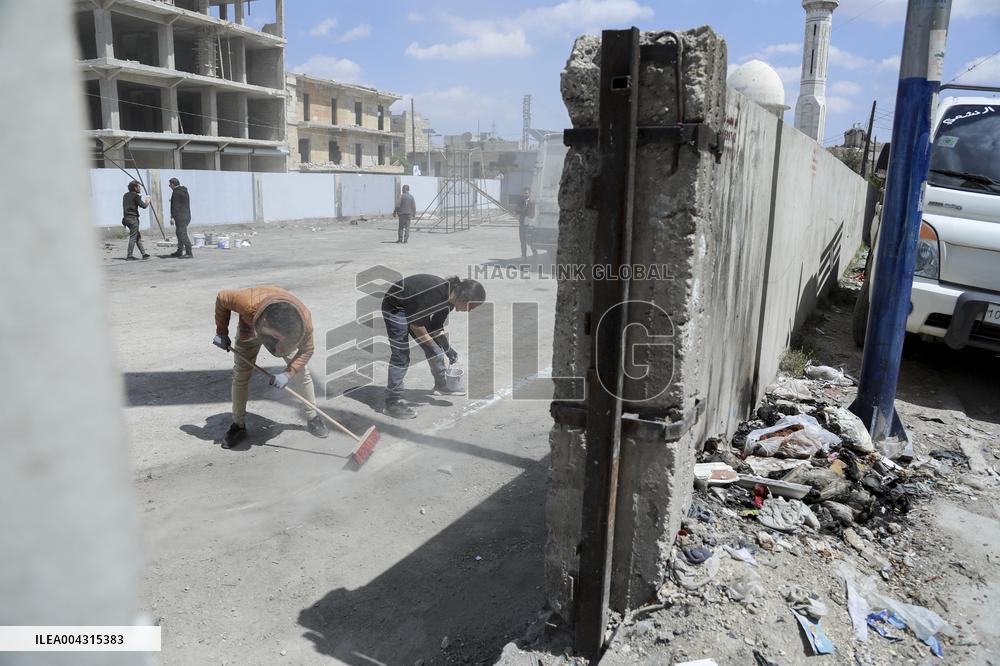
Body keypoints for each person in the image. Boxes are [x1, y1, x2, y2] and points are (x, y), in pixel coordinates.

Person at [213, 286, 330, 448]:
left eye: (282, 340)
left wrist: (288, 374)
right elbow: (221, 298)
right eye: (276, 337)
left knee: (301, 372)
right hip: (250, 327)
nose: (279, 346)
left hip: (280, 332)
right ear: (266, 323)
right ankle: (238, 425)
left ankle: (313, 417)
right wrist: (221, 332)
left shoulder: (303, 321)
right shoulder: (247, 302)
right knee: (241, 375)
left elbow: (307, 350)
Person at [381, 275, 486, 419]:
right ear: (464, 298)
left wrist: (447, 348)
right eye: (471, 307)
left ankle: (441, 386)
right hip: (396, 306)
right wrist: (435, 349)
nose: (469, 311)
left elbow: (436, 326)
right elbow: (416, 326)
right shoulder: (435, 294)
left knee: (435, 348)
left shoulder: (450, 301)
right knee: (401, 355)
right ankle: (392, 403)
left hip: (414, 308)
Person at [122, 180, 150, 260]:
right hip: (133, 219)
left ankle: (144, 254)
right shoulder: (136, 196)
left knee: (137, 236)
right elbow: (143, 206)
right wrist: (147, 201)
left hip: (126, 219)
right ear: (135, 187)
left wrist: (138, 183)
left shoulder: (125, 195)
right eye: (139, 187)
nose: (140, 188)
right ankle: (129, 256)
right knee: (133, 237)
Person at [168, 177, 193, 258]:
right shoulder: (184, 191)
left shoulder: (176, 192)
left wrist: (172, 217)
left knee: (181, 234)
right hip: (186, 216)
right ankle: (179, 251)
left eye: (170, 184)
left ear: (173, 184)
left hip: (180, 217)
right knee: (180, 233)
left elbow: (175, 206)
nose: (169, 186)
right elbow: (181, 203)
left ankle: (189, 253)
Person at [517, 188, 535, 257]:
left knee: (530, 241)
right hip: (522, 224)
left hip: (529, 225)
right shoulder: (520, 202)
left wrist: (523, 211)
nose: (525, 194)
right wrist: (524, 211)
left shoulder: (532, 202)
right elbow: (517, 210)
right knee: (522, 241)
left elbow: (532, 214)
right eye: (524, 193)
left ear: (529, 194)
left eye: (527, 193)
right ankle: (523, 256)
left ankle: (534, 252)